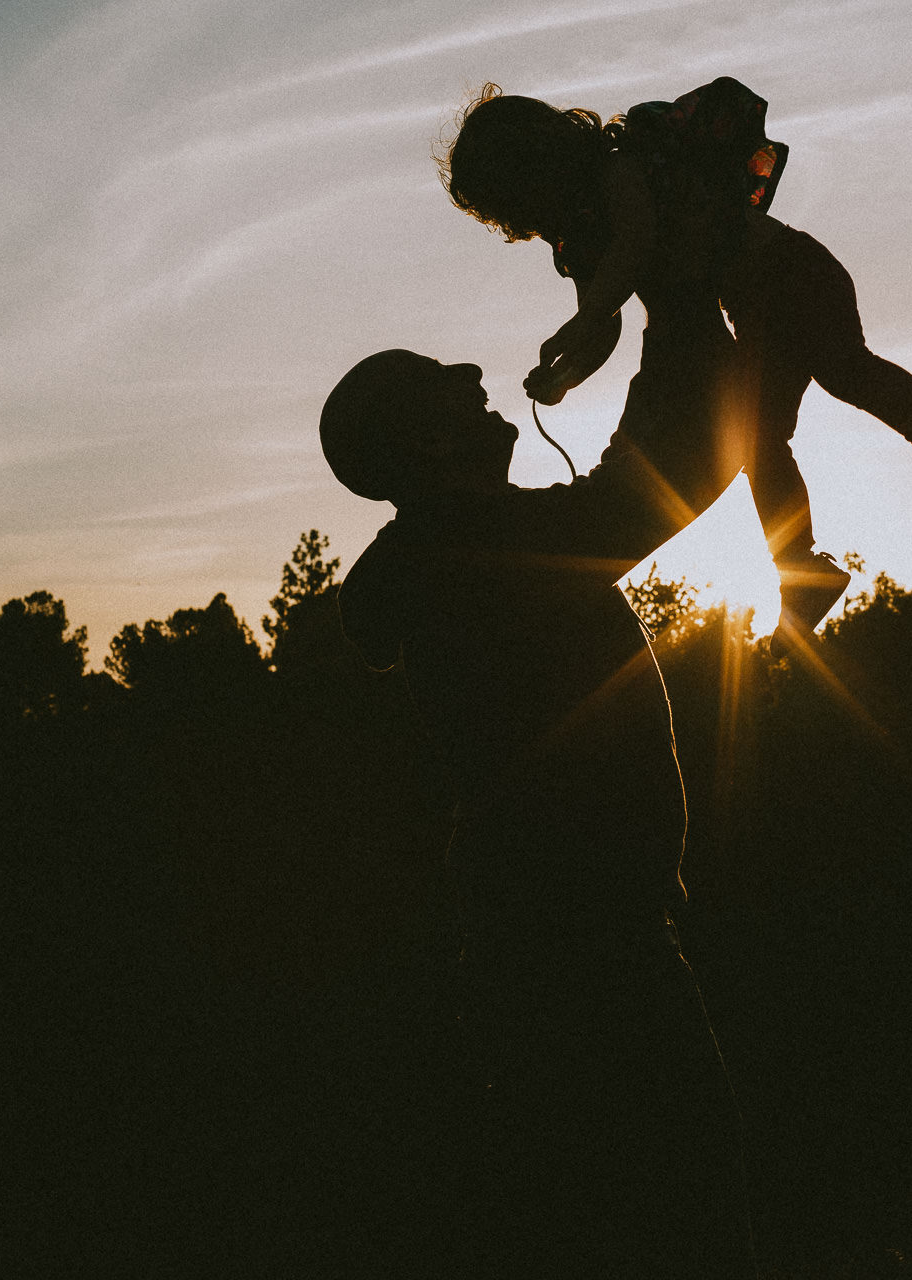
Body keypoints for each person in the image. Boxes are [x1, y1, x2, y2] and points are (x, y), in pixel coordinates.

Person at [321, 349, 756, 1276]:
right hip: (589, 950)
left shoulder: (450, 551)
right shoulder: (485, 546)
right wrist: (671, 306)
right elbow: (669, 480)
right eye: (451, 383)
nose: (478, 376)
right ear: (431, 440)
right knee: (687, 1219)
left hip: (545, 943)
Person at [437, 77, 912, 639]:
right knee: (758, 435)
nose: (526, 213)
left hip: (786, 273)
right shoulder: (581, 234)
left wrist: (582, 321)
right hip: (752, 306)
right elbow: (604, 319)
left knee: (838, 373)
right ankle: (806, 566)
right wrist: (566, 376)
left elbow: (636, 244)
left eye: (518, 194)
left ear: (541, 161)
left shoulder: (620, 170)